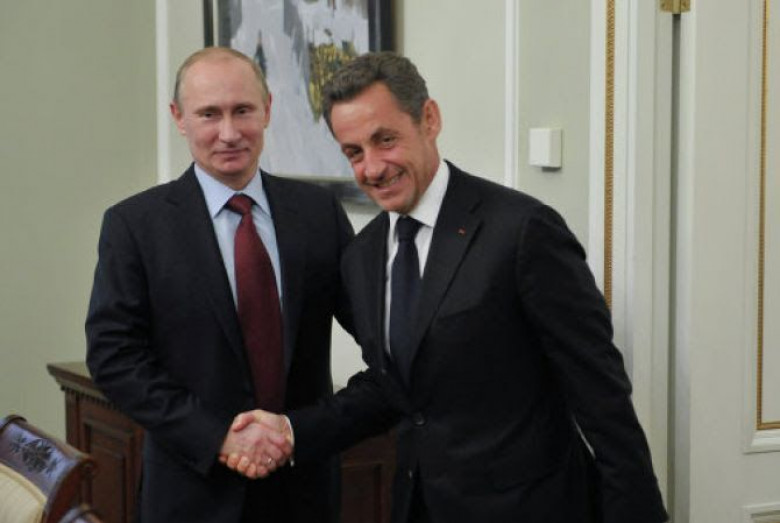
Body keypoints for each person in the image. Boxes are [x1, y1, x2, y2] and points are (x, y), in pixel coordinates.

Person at [229, 51, 668, 523]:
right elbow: (394, 387)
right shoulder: (363, 255)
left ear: (430, 119)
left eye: (385, 140)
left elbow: (601, 395)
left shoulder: (521, 231)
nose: (372, 168)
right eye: (354, 152)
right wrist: (292, 431)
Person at [85, 47, 352, 523]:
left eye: (242, 110)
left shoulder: (319, 214)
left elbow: (373, 326)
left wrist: (301, 431)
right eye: (209, 114)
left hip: (303, 488)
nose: (229, 133)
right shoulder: (135, 226)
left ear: (267, 109)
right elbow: (114, 356)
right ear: (179, 118)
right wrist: (217, 437)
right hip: (192, 490)